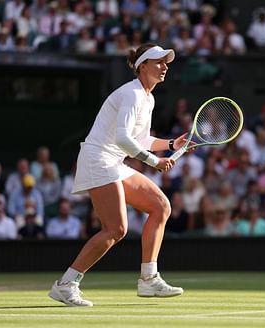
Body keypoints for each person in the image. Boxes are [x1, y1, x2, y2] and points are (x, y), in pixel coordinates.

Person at [48, 43, 192, 307]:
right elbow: (123, 137)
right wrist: (153, 162)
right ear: (143, 66)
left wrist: (172, 144)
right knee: (116, 229)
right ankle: (66, 284)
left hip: (113, 161)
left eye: (166, 63)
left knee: (161, 206)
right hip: (98, 159)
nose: (164, 67)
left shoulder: (147, 98)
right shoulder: (132, 94)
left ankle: (149, 279)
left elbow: (141, 139)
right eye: (159, 62)